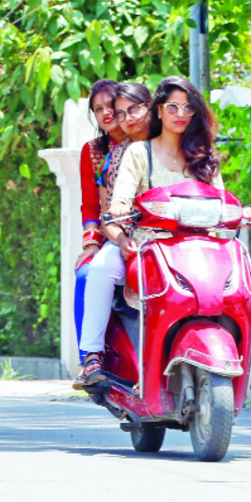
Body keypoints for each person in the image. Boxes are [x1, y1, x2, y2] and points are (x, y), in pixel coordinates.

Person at [75, 75, 251, 388]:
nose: (180, 114)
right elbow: (117, 201)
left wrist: (239, 212)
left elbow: (220, 199)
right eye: (172, 106)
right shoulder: (138, 152)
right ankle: (91, 355)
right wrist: (120, 215)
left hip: (198, 247)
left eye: (188, 108)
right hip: (147, 246)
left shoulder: (203, 155)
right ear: (159, 110)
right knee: (103, 268)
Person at [73, 82, 151, 365]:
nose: (106, 114)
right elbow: (92, 205)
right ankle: (89, 360)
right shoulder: (96, 152)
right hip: (116, 233)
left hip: (160, 231)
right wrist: (91, 244)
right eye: (98, 109)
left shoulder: (156, 142)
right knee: (85, 275)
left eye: (112, 107)